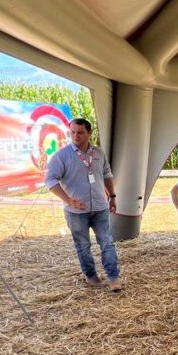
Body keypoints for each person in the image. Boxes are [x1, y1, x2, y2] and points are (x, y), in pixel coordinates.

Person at [45, 117, 122, 291]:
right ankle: (91, 276)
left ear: (89, 133)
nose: (75, 136)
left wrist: (112, 196)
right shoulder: (61, 156)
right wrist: (68, 200)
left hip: (100, 207)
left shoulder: (99, 153)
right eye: (72, 132)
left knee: (107, 242)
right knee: (83, 246)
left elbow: (107, 174)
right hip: (76, 212)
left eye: (80, 132)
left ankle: (113, 277)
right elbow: (50, 180)